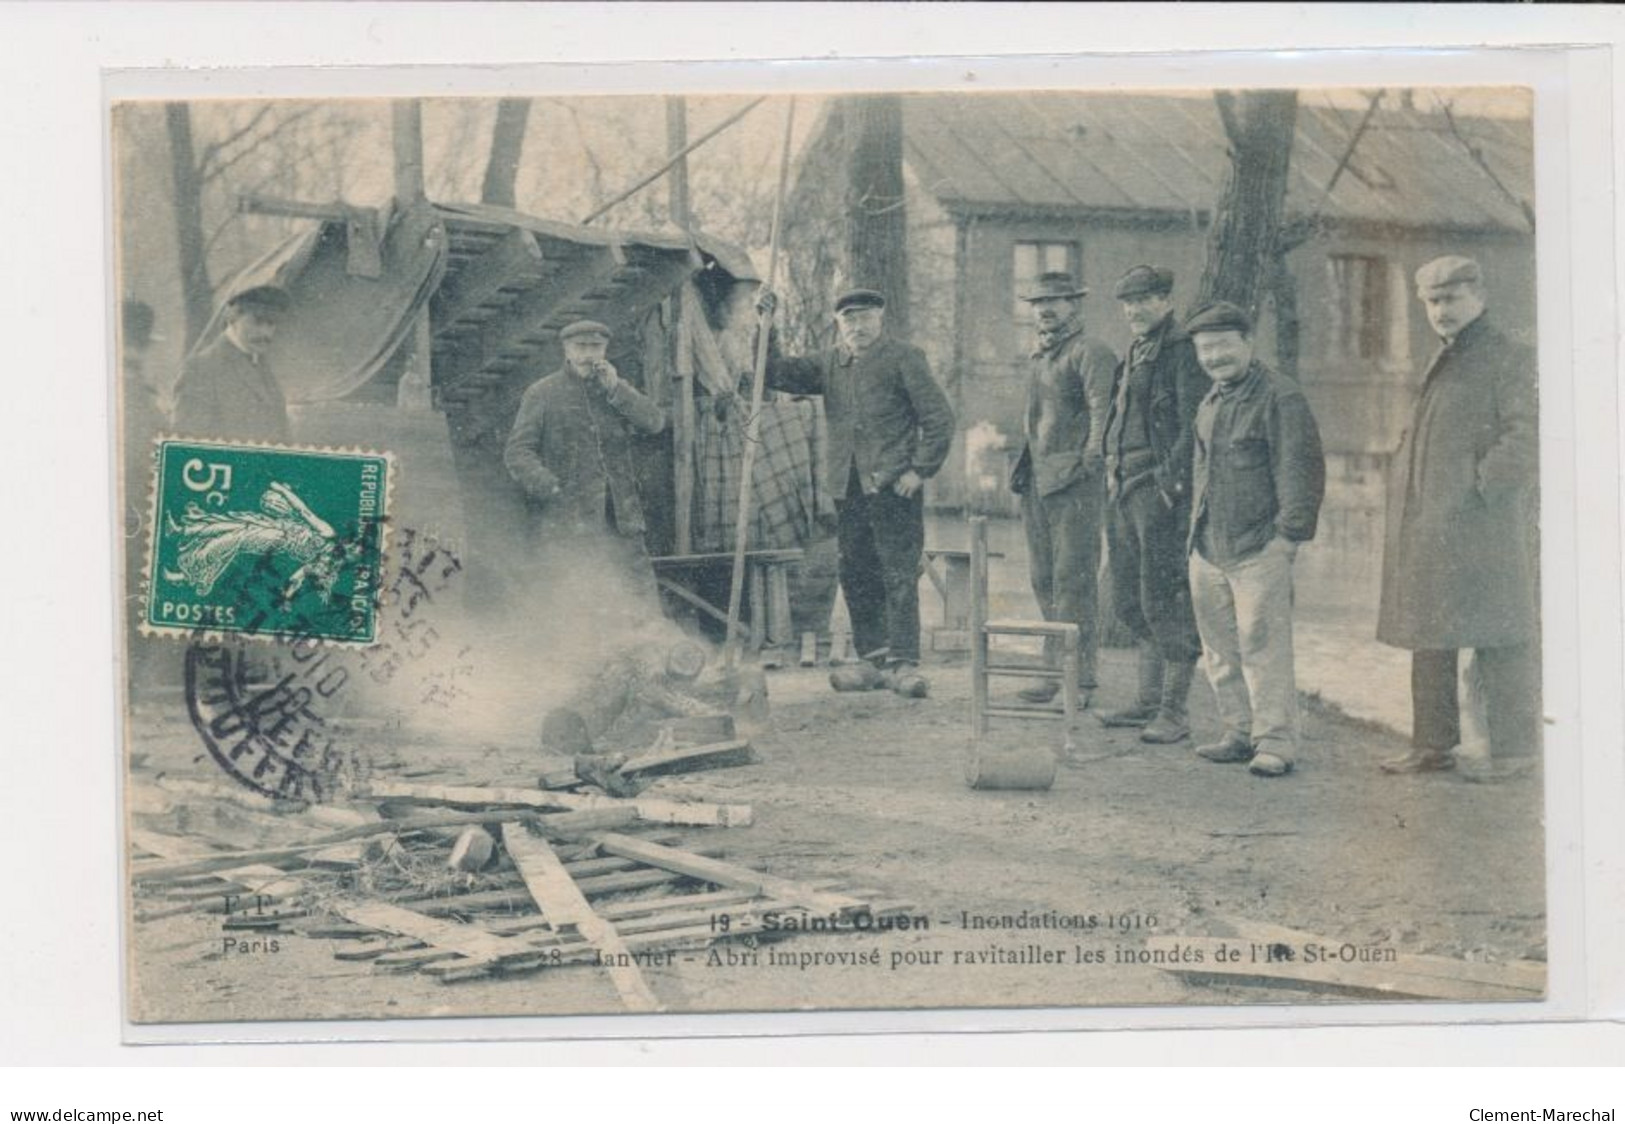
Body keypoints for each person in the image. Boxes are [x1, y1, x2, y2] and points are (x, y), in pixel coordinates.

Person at [1376, 256, 1540, 776]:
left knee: (1499, 634)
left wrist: (1480, 490)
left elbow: (1528, 436)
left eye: (1452, 298)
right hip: (1431, 526)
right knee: (1430, 632)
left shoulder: (1509, 357)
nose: (1441, 311)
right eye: (1431, 301)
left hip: (1482, 525)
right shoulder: (1443, 357)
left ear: (1479, 295)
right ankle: (1432, 744)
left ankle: (1515, 754)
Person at [758, 287, 955, 696]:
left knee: (898, 572)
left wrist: (919, 471)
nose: (858, 326)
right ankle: (872, 659)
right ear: (839, 324)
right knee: (856, 571)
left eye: (865, 317)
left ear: (881, 318)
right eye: (849, 319)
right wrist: (766, 325)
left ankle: (904, 664)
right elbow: (773, 371)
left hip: (893, 486)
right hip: (847, 489)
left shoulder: (904, 357)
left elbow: (939, 418)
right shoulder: (831, 362)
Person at [1184, 301, 1325, 778]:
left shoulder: (1281, 397)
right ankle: (1238, 732)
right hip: (1207, 547)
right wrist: (1195, 540)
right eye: (1206, 349)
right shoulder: (1211, 401)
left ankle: (1276, 742)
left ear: (1248, 343)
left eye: (1224, 345)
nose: (1215, 357)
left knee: (1264, 647)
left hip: (1259, 547)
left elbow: (1301, 472)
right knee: (1220, 650)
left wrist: (1287, 539)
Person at [1098, 266, 1210, 742]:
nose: (1134, 310)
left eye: (1144, 300)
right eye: (1127, 303)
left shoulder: (1182, 352)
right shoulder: (1135, 351)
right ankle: (1146, 702)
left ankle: (1174, 712)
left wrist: (1169, 485)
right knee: (1127, 598)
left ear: (1166, 300)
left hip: (1158, 492)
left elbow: (1194, 426)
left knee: (1163, 599)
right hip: (1122, 486)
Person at [1005, 272, 1117, 707]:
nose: (1045, 309)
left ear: (1076, 305)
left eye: (1055, 301)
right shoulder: (1041, 355)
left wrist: (1088, 464)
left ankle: (1082, 680)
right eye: (1037, 303)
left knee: (1075, 581)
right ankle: (1053, 672)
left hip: (1074, 484)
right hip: (1037, 480)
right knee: (1044, 579)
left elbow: (1102, 413)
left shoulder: (1091, 352)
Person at [503, 319, 667, 603]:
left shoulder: (615, 390)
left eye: (596, 347)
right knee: (577, 602)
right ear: (566, 349)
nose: (588, 354)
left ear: (605, 350)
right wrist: (550, 487)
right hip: (568, 521)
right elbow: (517, 453)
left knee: (639, 599)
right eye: (580, 347)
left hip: (622, 519)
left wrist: (617, 389)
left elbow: (655, 423)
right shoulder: (543, 393)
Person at [172, 284, 293, 443]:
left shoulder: (262, 365)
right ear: (232, 318)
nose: (265, 333)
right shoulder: (201, 368)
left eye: (271, 324)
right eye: (256, 322)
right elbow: (186, 445)